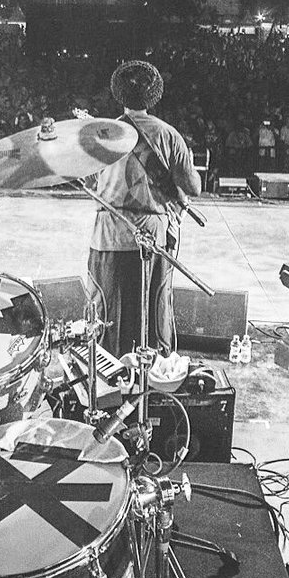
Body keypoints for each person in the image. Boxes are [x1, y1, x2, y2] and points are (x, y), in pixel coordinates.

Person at [88, 60, 201, 358]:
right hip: (153, 237)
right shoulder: (168, 135)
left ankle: (110, 381)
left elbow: (92, 181)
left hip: (109, 233)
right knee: (152, 312)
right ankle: (152, 382)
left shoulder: (102, 134)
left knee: (109, 314)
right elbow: (193, 187)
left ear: (118, 94)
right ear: (155, 95)